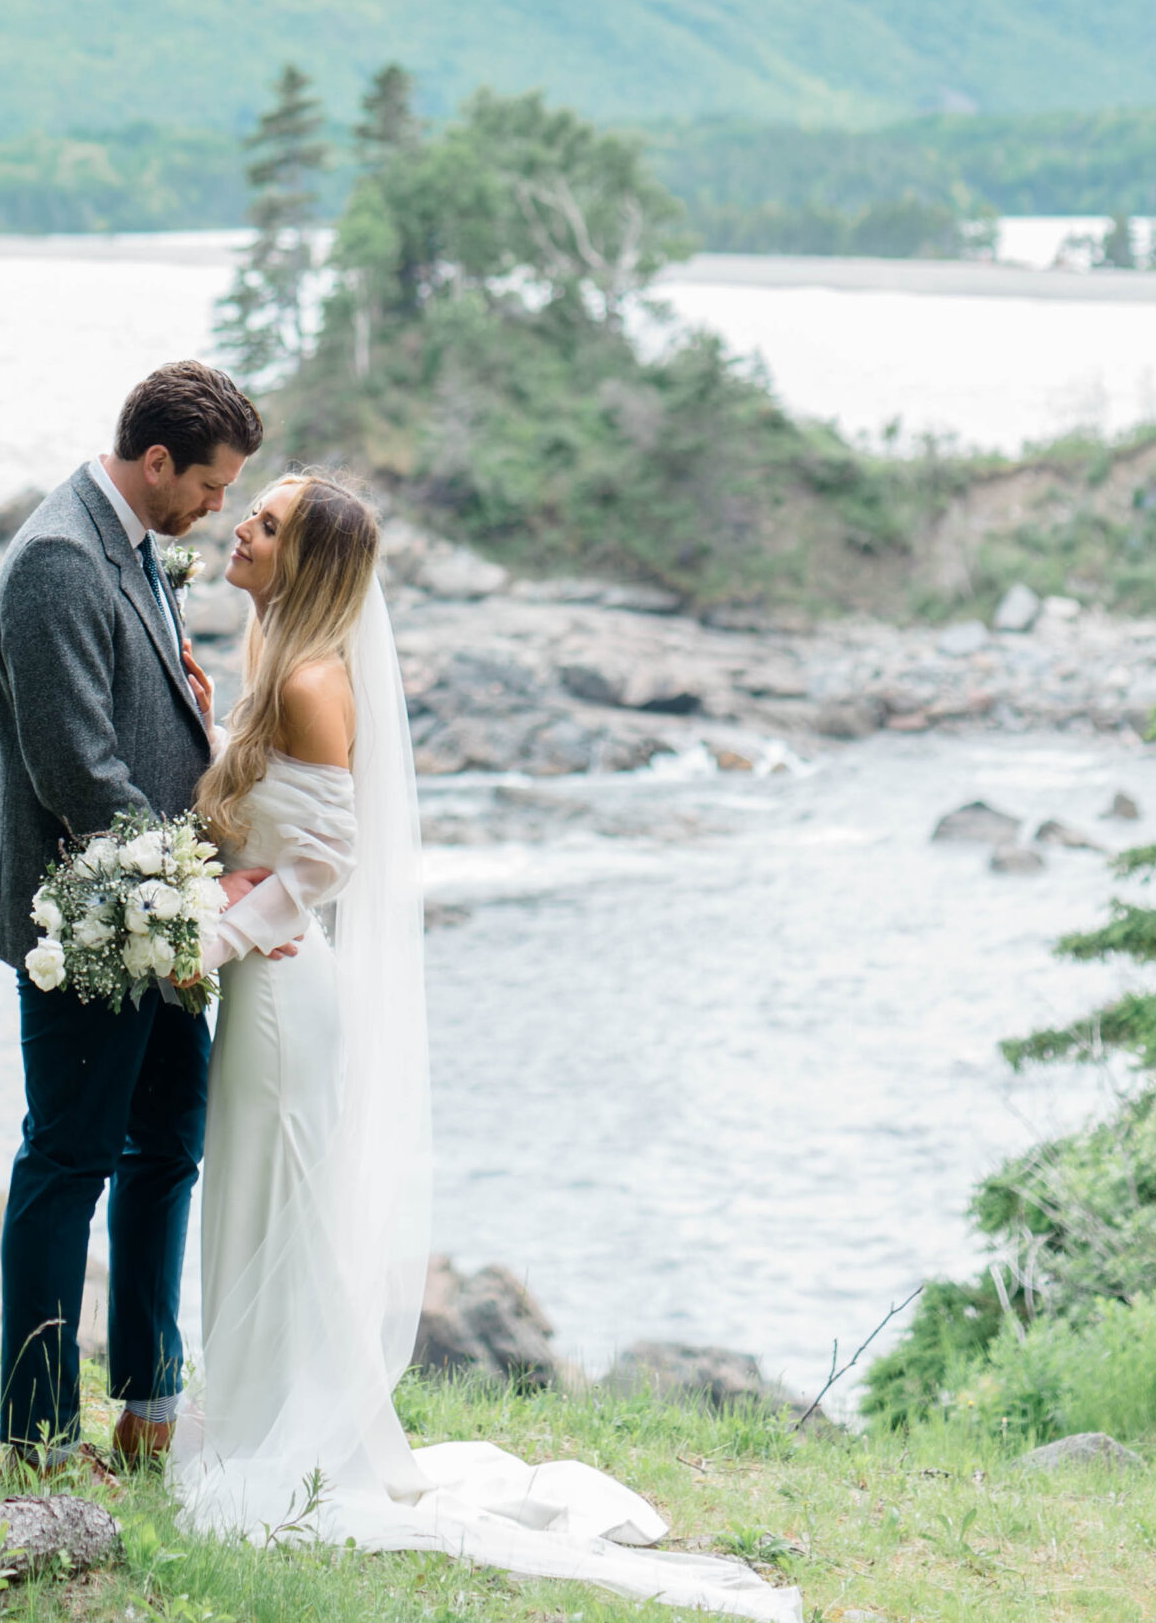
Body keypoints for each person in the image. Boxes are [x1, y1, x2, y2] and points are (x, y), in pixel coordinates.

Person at [173, 471, 803, 1622]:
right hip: (268, 987)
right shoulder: (276, 658)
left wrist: (208, 939)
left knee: (279, 1205)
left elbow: (320, 867)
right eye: (248, 513)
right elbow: (268, 826)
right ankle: (266, 1418)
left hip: (276, 990)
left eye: (262, 524)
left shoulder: (313, 681)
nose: (239, 530)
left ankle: (282, 1440)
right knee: (260, 1205)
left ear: (302, 560)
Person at [0, 360, 281, 1473]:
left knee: (165, 1154)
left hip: (161, 914)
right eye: (211, 485)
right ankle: (38, 1435)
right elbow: (79, 774)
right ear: (155, 463)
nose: (219, 510)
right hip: (90, 917)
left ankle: (150, 1407)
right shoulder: (56, 560)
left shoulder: (137, 544)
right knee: (69, 1161)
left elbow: (142, 715)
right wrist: (202, 905)